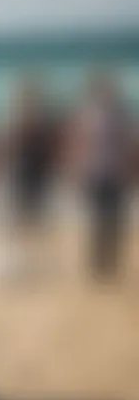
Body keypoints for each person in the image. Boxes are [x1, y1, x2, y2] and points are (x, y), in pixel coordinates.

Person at [74, 71, 133, 280]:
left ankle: (111, 263)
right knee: (97, 220)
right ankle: (98, 263)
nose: (105, 92)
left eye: (108, 88)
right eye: (102, 88)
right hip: (96, 173)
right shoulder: (88, 114)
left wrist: (130, 171)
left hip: (116, 174)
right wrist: (79, 171)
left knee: (115, 221)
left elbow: (129, 145)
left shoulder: (121, 114)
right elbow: (80, 145)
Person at [6, 77, 59, 270]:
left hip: (37, 174)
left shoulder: (40, 121)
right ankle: (25, 260)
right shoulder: (18, 119)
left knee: (37, 217)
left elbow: (51, 148)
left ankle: (35, 260)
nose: (29, 101)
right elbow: (9, 148)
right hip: (22, 174)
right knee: (22, 218)